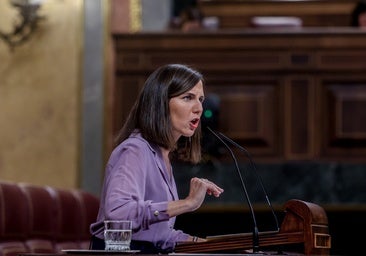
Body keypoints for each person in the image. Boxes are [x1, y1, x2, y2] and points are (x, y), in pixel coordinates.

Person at [89, 64, 224, 253]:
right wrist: (187, 203)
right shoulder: (135, 150)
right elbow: (118, 216)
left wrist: (222, 247)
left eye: (200, 99)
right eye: (187, 98)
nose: (199, 108)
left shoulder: (161, 156)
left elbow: (159, 236)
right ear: (160, 103)